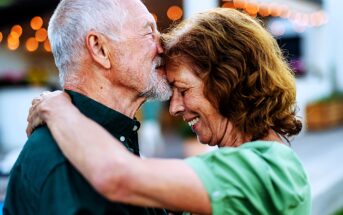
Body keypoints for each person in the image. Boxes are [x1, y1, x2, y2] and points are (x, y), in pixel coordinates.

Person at [26, 8, 311, 215]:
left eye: (183, 90)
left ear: (229, 82)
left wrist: (57, 108)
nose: (174, 108)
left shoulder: (269, 170)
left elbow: (115, 175)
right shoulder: (241, 162)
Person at [3, 0, 171, 214]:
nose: (162, 45)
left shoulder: (109, 139)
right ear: (100, 49)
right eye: (149, 33)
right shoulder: (64, 163)